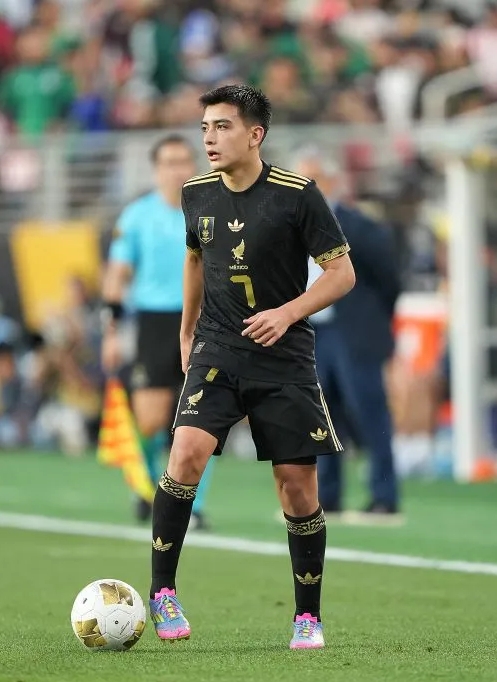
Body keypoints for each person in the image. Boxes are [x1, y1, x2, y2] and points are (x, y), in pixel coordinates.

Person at [147, 85, 355, 651]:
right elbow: (195, 258)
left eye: (223, 127)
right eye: (205, 128)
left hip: (283, 356)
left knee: (296, 489)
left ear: (255, 134)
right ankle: (162, 593)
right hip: (217, 346)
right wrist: (187, 329)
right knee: (185, 453)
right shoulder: (195, 194)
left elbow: (341, 274)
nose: (210, 139)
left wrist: (287, 314)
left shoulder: (297, 195)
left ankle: (307, 616)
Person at [102, 134, 216, 530]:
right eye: (169, 162)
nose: (179, 169)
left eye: (185, 161)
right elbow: (118, 275)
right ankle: (146, 486)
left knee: (200, 418)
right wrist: (111, 332)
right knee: (149, 420)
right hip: (153, 321)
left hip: (203, 320)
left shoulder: (209, 209)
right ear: (156, 169)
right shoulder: (136, 216)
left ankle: (194, 506)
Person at [291, 149, 402, 523]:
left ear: (334, 183)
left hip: (352, 332)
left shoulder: (359, 226)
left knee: (369, 413)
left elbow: (389, 280)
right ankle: (329, 497)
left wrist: (370, 321)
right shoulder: (290, 227)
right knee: (321, 417)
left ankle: (384, 497)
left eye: (314, 180)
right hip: (313, 330)